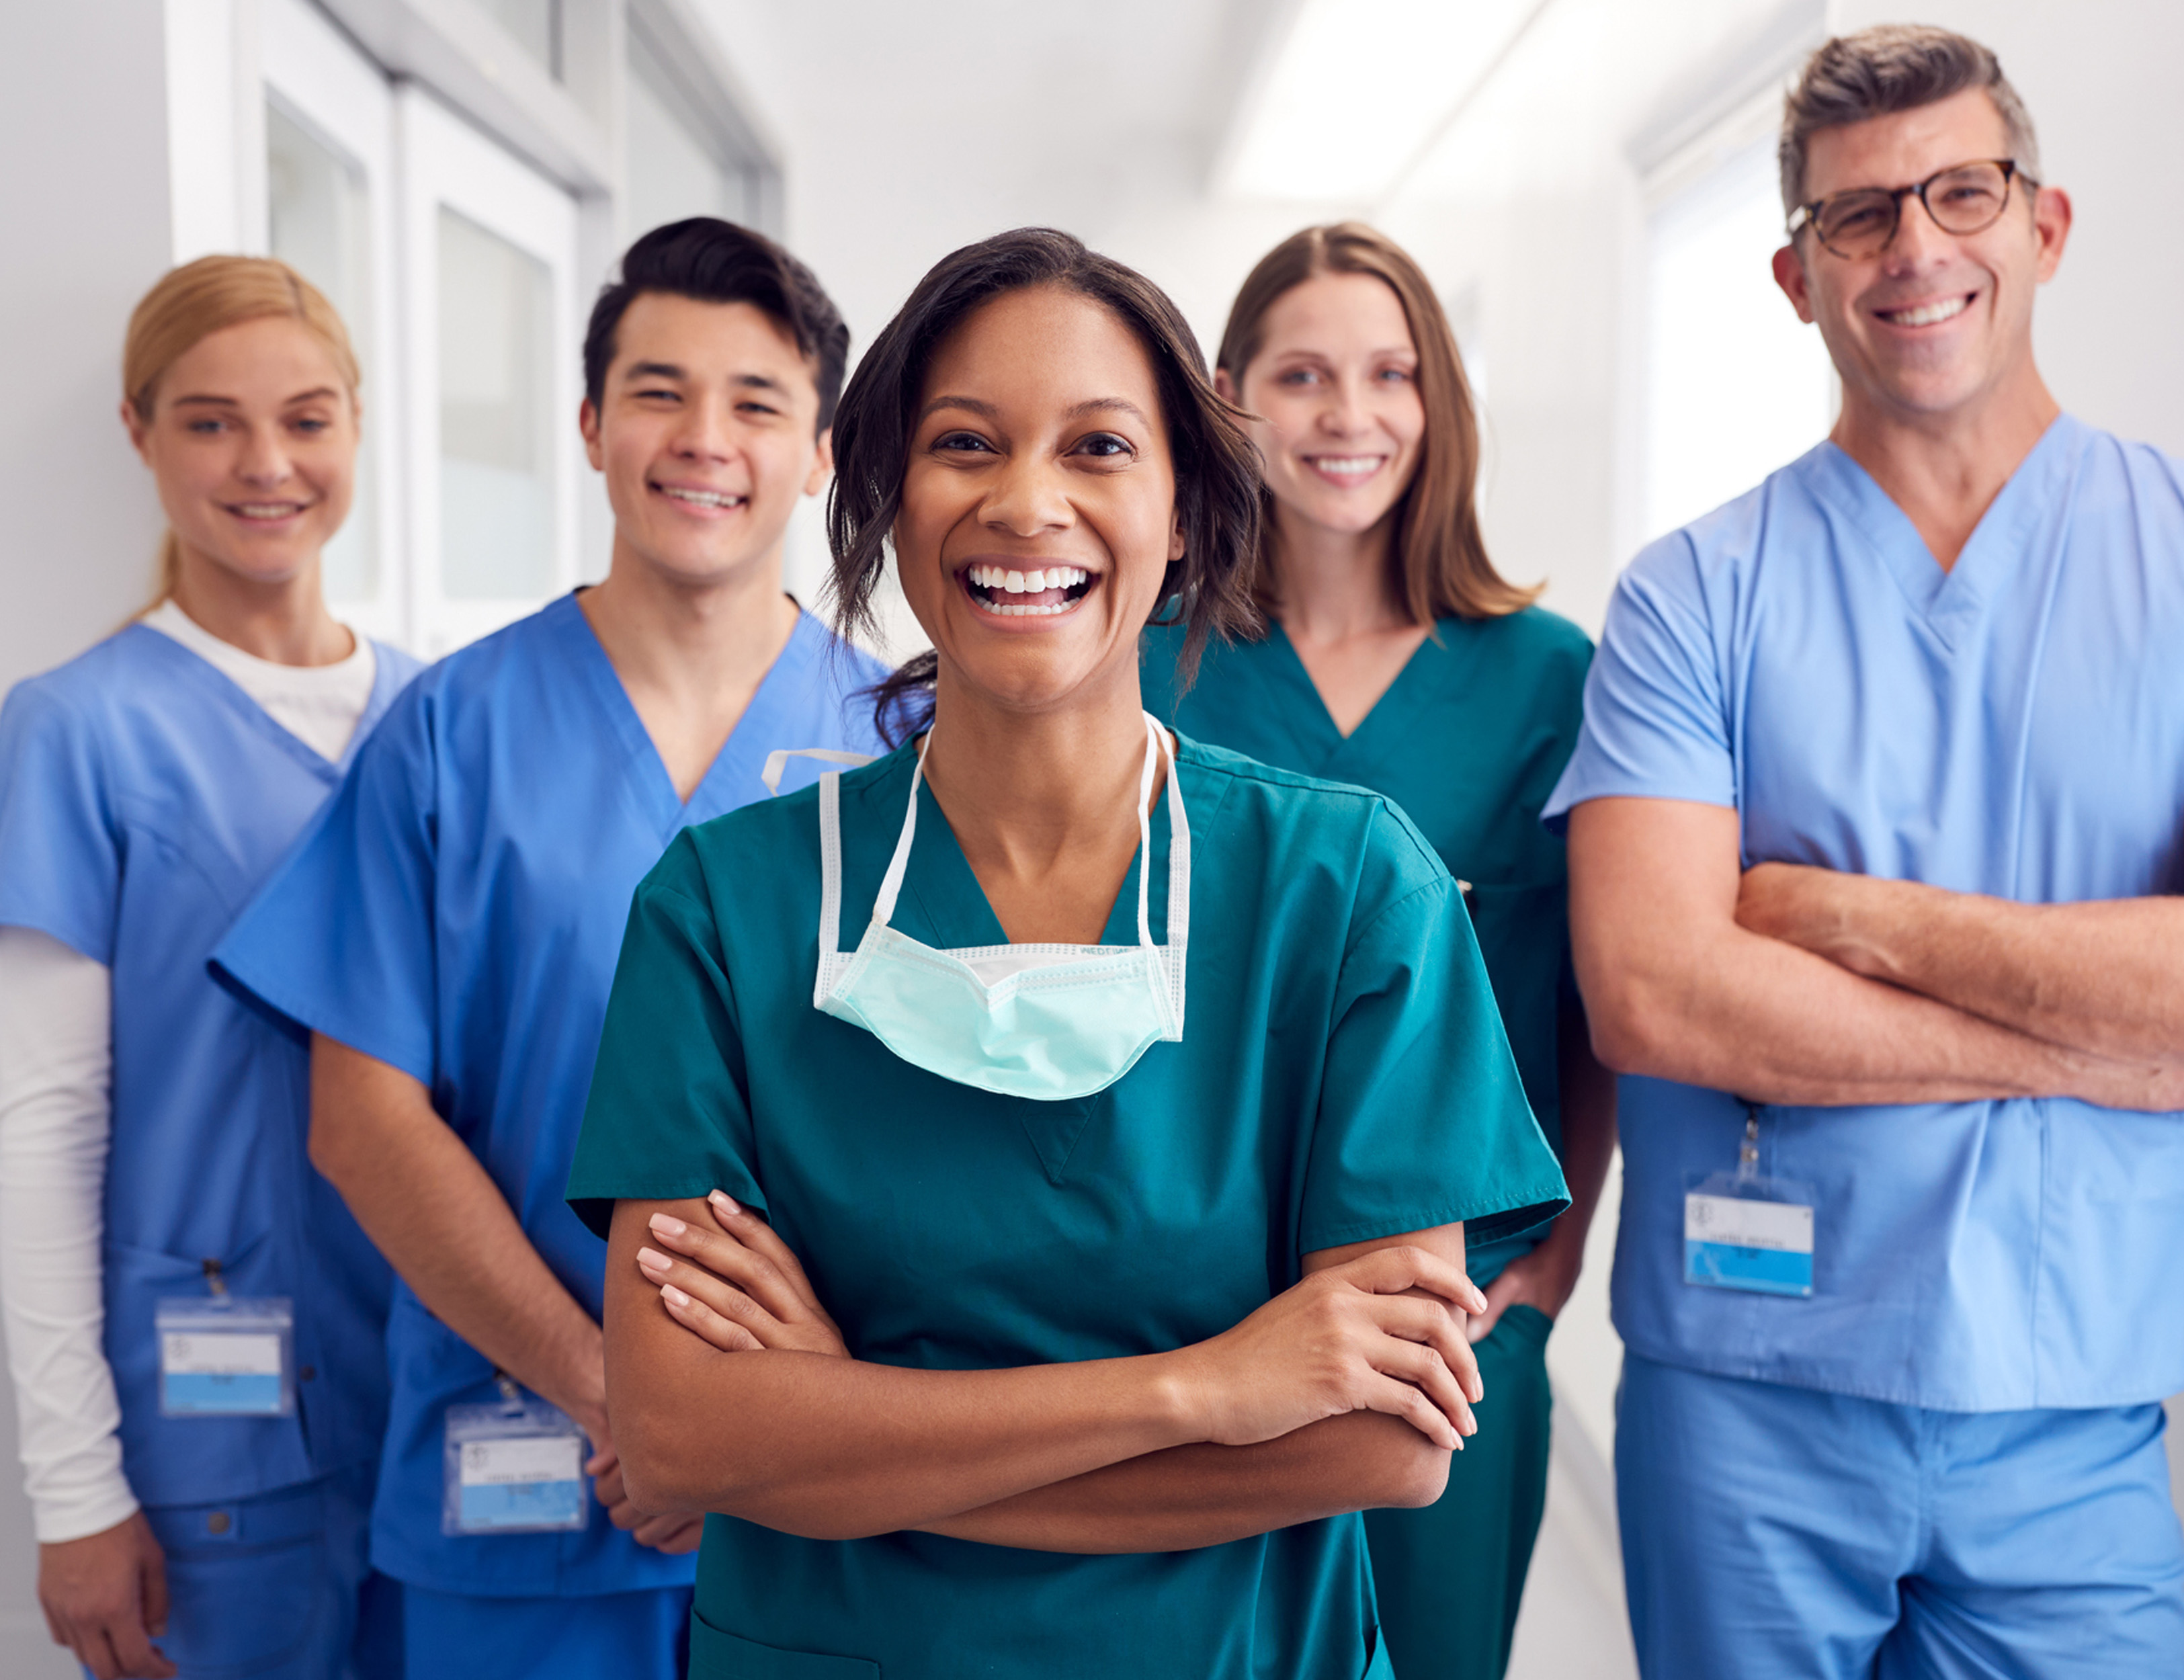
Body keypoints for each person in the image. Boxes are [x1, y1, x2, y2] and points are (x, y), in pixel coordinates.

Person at [560, 225, 1570, 1679]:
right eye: (964, 443)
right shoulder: (726, 906)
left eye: (1098, 447)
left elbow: (1385, 1439)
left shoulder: (1347, 889)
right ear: (886, 497)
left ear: (1181, 514)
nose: (1025, 503)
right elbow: (679, 1431)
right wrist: (1207, 1385)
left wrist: (846, 1418)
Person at [1545, 26, 2184, 1678]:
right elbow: (1654, 993)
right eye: (1856, 216)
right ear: (1792, 274)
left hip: (2077, 1405)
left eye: (1958, 192)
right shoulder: (1692, 594)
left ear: (2041, 230)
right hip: (1745, 1402)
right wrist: (2100, 1046)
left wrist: (1848, 920)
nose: (1914, 247)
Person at [210, 218, 889, 1680]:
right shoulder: (451, 733)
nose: (701, 437)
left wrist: (763, 1429)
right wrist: (617, 1401)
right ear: (588, 425)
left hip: (827, 1503)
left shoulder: (908, 745)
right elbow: (365, 1118)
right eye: (657, 390)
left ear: (822, 450)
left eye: (756, 401)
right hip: (519, 1472)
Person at [1142, 222, 1615, 1680]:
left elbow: (1591, 1001)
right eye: (1301, 374)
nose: (1348, 416)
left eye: (1388, 373)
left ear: (1437, 400)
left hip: (1455, 1319)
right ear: (1228, 400)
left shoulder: (1546, 676)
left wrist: (1551, 1259)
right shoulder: (1151, 663)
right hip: (1194, 1300)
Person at [0, 257, 419, 1680]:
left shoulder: (441, 716)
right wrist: (75, 1489)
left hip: (446, 1401)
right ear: (138, 432)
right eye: (209, 422)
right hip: (207, 1444)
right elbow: (43, 1129)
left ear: (359, 423)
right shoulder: (76, 728)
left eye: (306, 418)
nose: (266, 465)